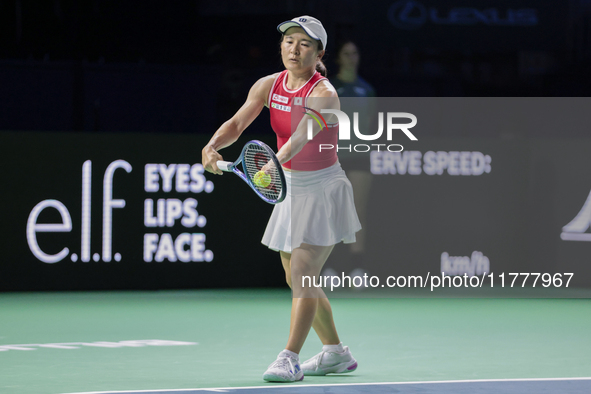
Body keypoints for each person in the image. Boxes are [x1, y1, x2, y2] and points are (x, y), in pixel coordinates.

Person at [201, 16, 360, 383]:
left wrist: (272, 164)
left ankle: (289, 357)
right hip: (289, 186)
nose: (294, 48)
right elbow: (237, 124)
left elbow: (302, 137)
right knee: (295, 276)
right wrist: (211, 147)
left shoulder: (325, 94)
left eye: (305, 43)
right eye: (289, 40)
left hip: (323, 188)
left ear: (319, 52)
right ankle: (336, 352)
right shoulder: (268, 85)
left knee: (303, 273)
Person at [328, 40, 377, 278]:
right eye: (345, 53)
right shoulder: (328, 87)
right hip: (331, 158)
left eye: (354, 53)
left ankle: (358, 267)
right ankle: (330, 267)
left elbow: (370, 124)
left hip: (359, 157)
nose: (350, 57)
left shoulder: (366, 90)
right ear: (338, 58)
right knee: (332, 212)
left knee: (357, 213)